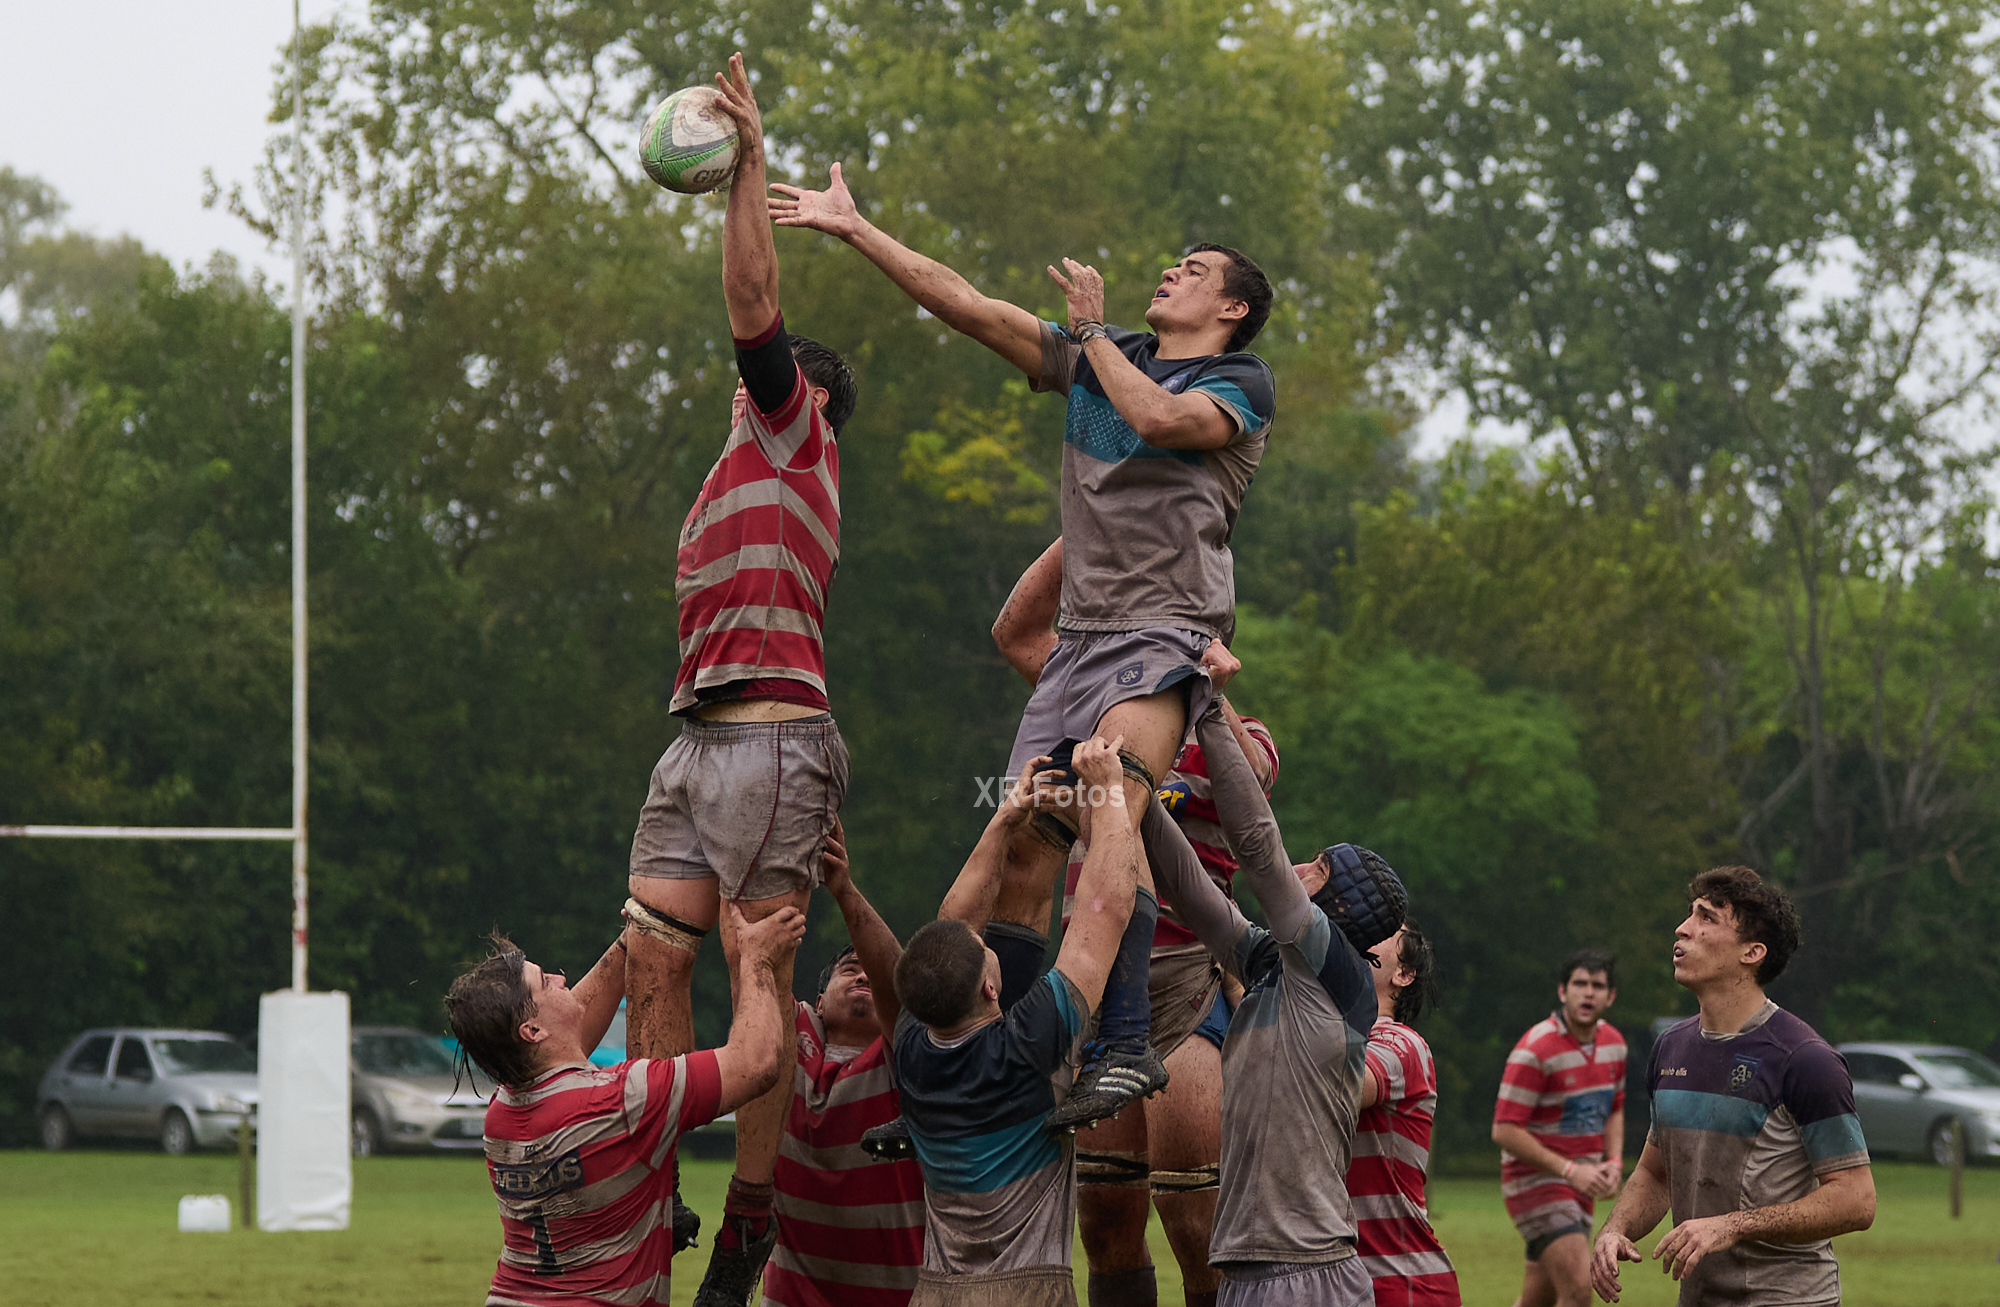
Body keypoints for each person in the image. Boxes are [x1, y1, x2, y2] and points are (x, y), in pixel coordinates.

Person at [773, 167, 1277, 1126]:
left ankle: (1124, 1044)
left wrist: (1090, 335)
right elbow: (967, 304)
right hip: (1082, 641)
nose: (1172, 272)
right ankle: (993, 1069)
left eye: (1194, 269)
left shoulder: (1235, 382)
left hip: (1165, 634)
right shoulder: (1103, 356)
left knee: (1110, 803)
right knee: (1022, 857)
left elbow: (1162, 420)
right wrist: (856, 229)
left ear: (1233, 306)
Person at [620, 53, 862, 1305]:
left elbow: (754, 302)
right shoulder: (728, 478)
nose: (745, 379)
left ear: (809, 404)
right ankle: (657, 1185)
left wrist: (749, 163)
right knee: (652, 956)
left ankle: (751, 1221)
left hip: (772, 743)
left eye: (767, 374)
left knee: (754, 977)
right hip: (692, 744)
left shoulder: (794, 434)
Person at [991, 537, 1276, 1307]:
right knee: (1107, 1227)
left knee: (1197, 1229)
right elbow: (1015, 632)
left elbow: (1255, 778)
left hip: (1186, 993)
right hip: (1089, 987)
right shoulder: (1089, 707)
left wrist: (1208, 692)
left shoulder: (1231, 727)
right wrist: (1091, 517)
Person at [1137, 700, 1403, 1306]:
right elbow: (1189, 891)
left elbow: (1257, 844)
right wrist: (1134, 785)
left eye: (1319, 868)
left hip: (1306, 1273)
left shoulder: (1338, 974)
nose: (1302, 866)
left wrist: (1205, 706)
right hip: (1247, 1271)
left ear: (1339, 907)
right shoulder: (1272, 967)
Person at [445, 902, 805, 1307]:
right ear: (531, 1030)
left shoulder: (502, 1115)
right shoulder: (621, 1101)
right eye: (545, 982)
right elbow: (756, 1063)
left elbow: (565, 1030)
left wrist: (635, 935)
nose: (561, 978)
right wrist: (756, 958)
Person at [893, 738, 1147, 1307]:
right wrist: (1108, 790)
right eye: (986, 953)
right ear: (990, 988)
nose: (986, 942)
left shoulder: (912, 1044)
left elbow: (952, 925)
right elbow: (1105, 908)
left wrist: (1005, 818)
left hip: (936, 1291)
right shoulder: (1026, 1042)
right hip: (1024, 1292)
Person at [1591, 867, 1875, 1306]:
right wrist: (1615, 1230)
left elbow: (1856, 1199)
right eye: (1690, 914)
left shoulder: (1804, 1059)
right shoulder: (1670, 1048)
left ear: (1752, 952)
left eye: (1706, 918)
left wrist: (1731, 1225)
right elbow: (1655, 1173)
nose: (1683, 928)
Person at [762, 821, 925, 1307]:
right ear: (818, 999)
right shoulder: (789, 1041)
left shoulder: (906, 1059)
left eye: (868, 970)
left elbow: (896, 982)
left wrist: (843, 887)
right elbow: (765, 960)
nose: (862, 975)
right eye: (847, 970)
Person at [1492, 949, 1628, 1307]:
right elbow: (1504, 1129)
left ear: (1610, 996)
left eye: (1597, 986)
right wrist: (1570, 1171)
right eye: (1579, 984)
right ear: (1562, 991)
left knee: (1539, 1298)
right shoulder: (1535, 1049)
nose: (1588, 993)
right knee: (1580, 1288)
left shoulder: (1615, 1045)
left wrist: (1613, 1163)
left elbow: (1615, 1109)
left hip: (1581, 1184)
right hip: (1536, 1182)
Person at [1350, 920, 1461, 1307]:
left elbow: (1337, 1088)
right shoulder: (1335, 1039)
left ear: (1403, 974)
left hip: (1405, 1286)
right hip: (1350, 1285)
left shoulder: (1401, 1043)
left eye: (1383, 931)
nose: (1363, 929)